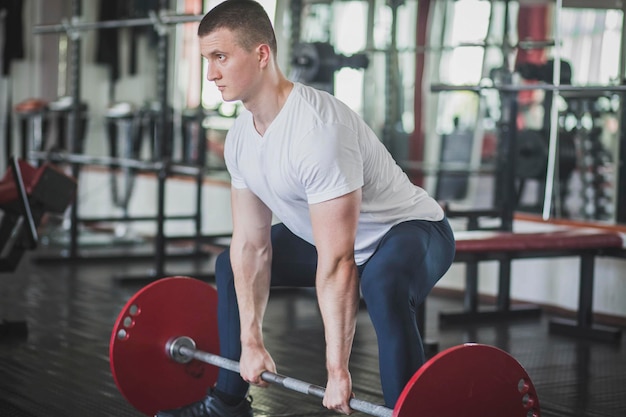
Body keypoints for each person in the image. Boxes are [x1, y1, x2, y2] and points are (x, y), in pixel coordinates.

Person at [158, 1, 455, 416]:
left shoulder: (318, 131)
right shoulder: (241, 137)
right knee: (230, 265)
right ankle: (227, 402)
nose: (210, 74)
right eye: (208, 59)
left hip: (409, 230)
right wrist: (251, 343)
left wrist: (338, 371)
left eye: (221, 57)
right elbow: (250, 247)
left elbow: (337, 262)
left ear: (261, 55)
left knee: (383, 285)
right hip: (335, 241)